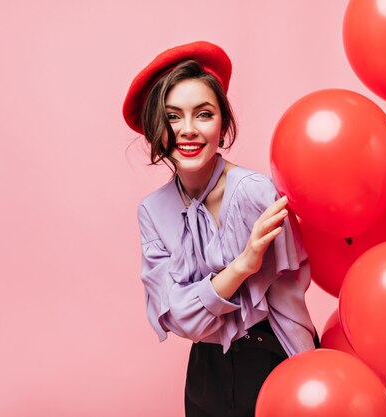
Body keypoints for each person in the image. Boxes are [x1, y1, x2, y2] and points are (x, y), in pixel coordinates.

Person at [123, 41, 318, 417]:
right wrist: (242, 266)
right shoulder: (152, 211)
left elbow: (288, 301)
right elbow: (181, 319)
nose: (189, 130)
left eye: (204, 114)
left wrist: (308, 378)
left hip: (275, 356)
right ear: (155, 129)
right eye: (173, 117)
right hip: (206, 371)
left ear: (223, 124)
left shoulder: (255, 192)